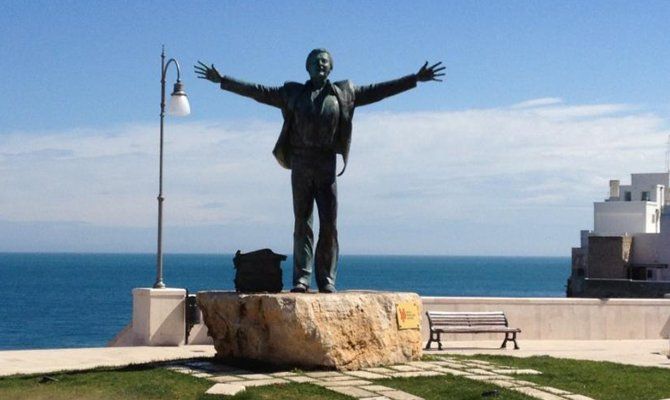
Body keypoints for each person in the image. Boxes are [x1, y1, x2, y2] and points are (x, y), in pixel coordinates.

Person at [195, 49, 444, 293]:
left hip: (326, 163)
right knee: (302, 223)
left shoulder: (345, 93)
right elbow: (258, 93)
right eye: (315, 61)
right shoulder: (292, 93)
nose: (320, 65)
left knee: (329, 224)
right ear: (307, 67)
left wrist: (414, 79)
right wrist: (224, 81)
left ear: (331, 67)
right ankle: (302, 278)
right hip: (301, 163)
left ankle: (326, 279)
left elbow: (378, 92)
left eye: (325, 61)